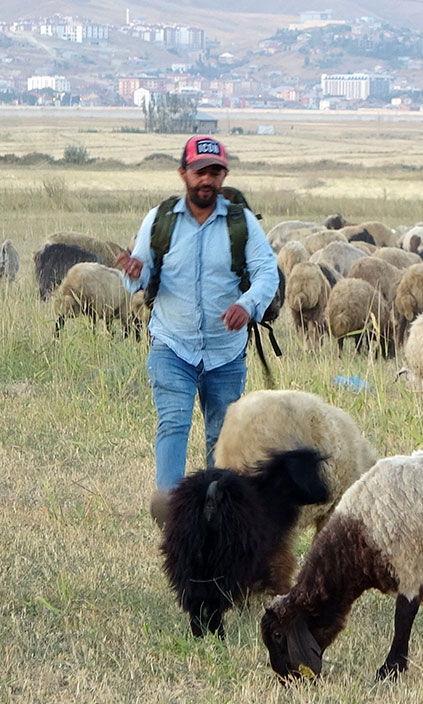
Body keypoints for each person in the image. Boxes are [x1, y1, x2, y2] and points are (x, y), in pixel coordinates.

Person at [117, 135, 279, 527]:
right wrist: (134, 272)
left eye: (215, 172)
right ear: (183, 174)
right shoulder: (161, 219)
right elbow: (140, 271)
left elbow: (266, 272)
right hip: (172, 344)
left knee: (220, 437)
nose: (207, 180)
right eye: (199, 172)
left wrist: (247, 304)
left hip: (225, 352)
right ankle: (173, 513)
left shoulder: (241, 224)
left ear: (224, 175)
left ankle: (215, 513)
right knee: (173, 422)